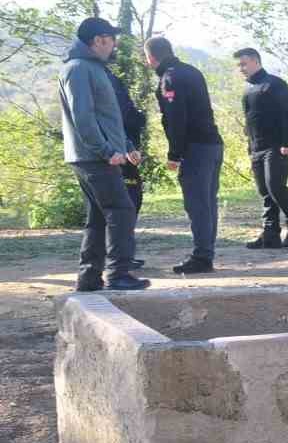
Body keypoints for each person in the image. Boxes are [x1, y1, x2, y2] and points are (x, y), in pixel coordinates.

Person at [59, 17, 147, 292]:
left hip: (97, 154)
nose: (113, 46)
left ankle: (89, 278)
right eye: (111, 41)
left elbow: (108, 118)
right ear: (98, 40)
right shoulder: (78, 69)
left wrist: (127, 146)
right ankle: (119, 275)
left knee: (98, 217)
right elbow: (83, 118)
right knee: (122, 210)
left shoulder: (92, 68)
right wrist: (107, 150)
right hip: (93, 157)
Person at [146, 36, 223, 274]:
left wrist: (174, 154)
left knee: (198, 204)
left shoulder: (170, 78)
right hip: (212, 144)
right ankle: (205, 254)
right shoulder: (191, 71)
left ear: (151, 57)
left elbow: (176, 118)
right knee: (207, 202)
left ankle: (202, 258)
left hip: (195, 148)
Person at [235, 47, 288, 250]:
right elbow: (249, 121)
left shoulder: (275, 84)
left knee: (275, 186)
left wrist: (287, 143)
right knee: (264, 191)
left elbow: (287, 114)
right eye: (239, 65)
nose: (241, 68)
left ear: (256, 61)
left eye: (244, 64)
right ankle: (270, 234)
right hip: (257, 147)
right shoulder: (247, 88)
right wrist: (250, 147)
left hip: (277, 146)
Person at [105, 66, 147, 269]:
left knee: (132, 201)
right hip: (116, 153)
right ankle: (119, 258)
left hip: (126, 147)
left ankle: (124, 254)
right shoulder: (101, 79)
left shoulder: (110, 78)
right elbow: (115, 118)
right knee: (125, 203)